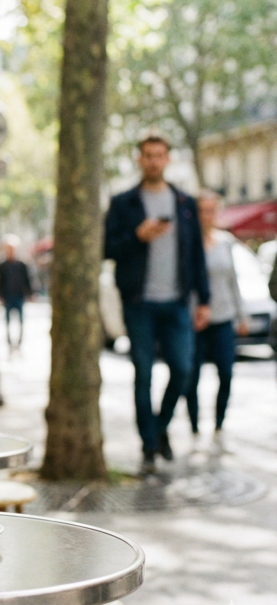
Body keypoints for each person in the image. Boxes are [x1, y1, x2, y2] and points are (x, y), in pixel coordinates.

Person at [104, 135, 210, 474]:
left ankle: (160, 426)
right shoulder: (123, 203)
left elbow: (195, 254)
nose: (154, 161)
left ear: (167, 159)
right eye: (148, 156)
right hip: (139, 303)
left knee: (183, 369)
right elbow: (106, 248)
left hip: (177, 301)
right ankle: (149, 445)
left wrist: (203, 299)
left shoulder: (184, 202)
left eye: (160, 155)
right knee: (143, 374)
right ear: (140, 160)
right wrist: (137, 236)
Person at [186, 192, 247, 454]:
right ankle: (195, 428)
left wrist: (241, 315)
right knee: (192, 376)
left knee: (226, 373)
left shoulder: (226, 243)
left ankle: (219, 426)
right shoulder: (187, 243)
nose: (206, 215)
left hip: (223, 317)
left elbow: (233, 281)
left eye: (211, 210)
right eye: (202, 210)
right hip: (195, 321)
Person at [0, 235, 33, 349]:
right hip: (7, 297)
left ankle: (19, 344)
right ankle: (9, 344)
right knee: (7, 321)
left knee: (21, 321)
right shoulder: (2, 265)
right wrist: (0, 295)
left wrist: (30, 293)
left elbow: (27, 279)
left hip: (19, 296)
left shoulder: (22, 264)